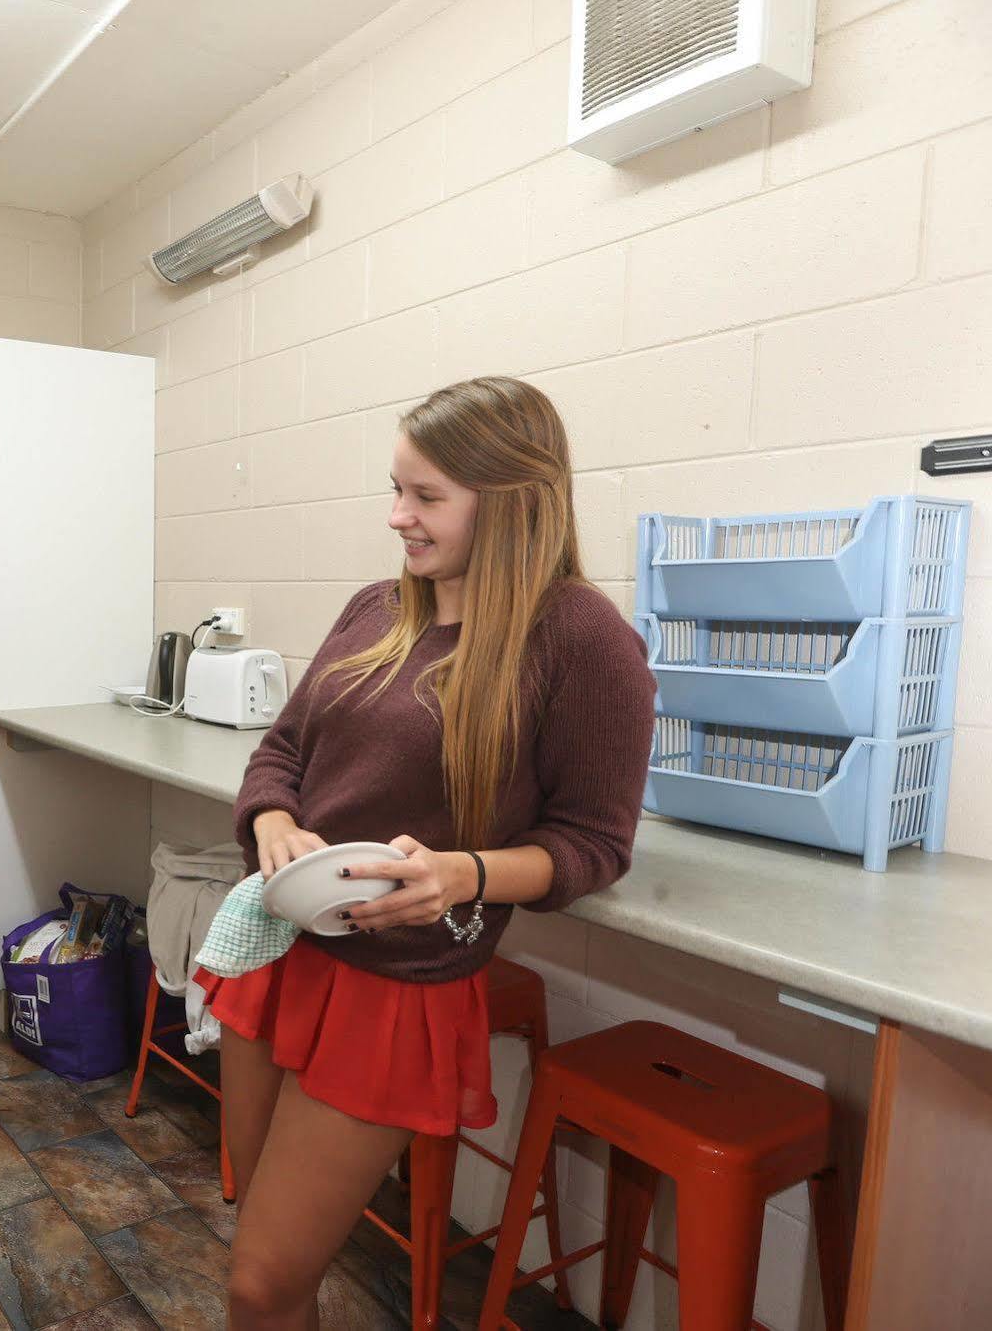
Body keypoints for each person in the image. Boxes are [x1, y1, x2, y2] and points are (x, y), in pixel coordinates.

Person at [199, 377, 657, 1327]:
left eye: (425, 496)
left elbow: (592, 845)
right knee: (257, 1241)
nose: (395, 516)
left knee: (261, 1282)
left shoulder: (580, 640)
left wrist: (463, 874)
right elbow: (281, 750)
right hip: (281, 946)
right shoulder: (379, 607)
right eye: (396, 489)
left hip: (395, 983)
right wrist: (271, 822)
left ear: (514, 499)